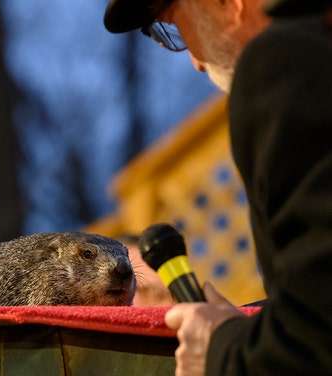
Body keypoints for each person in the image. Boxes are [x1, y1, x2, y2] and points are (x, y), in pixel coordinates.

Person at [104, 0, 332, 374]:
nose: (194, 60)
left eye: (174, 25)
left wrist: (219, 349)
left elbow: (316, 338)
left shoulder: (284, 62)